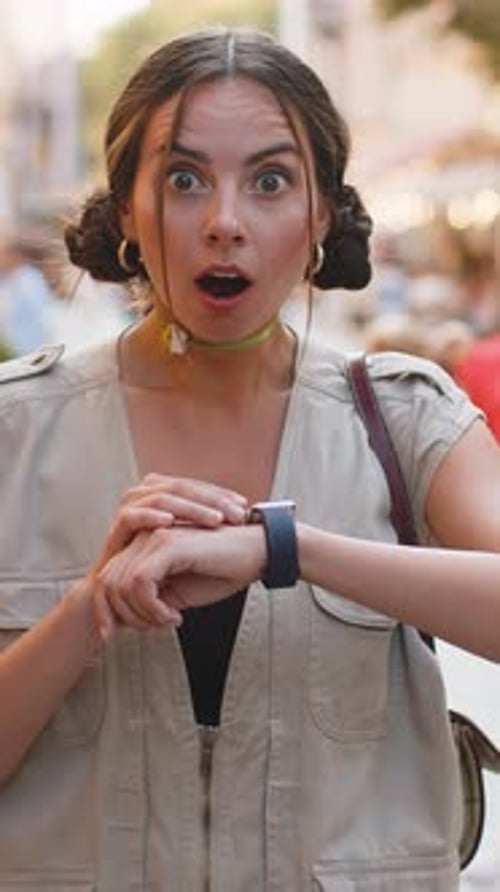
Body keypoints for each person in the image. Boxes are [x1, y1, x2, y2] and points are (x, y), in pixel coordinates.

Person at [0, 27, 499, 892]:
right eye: (184, 179)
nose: (225, 223)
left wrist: (286, 549)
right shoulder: (16, 431)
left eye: (270, 181)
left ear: (319, 215)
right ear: (126, 208)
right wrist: (88, 606)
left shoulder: (407, 417)